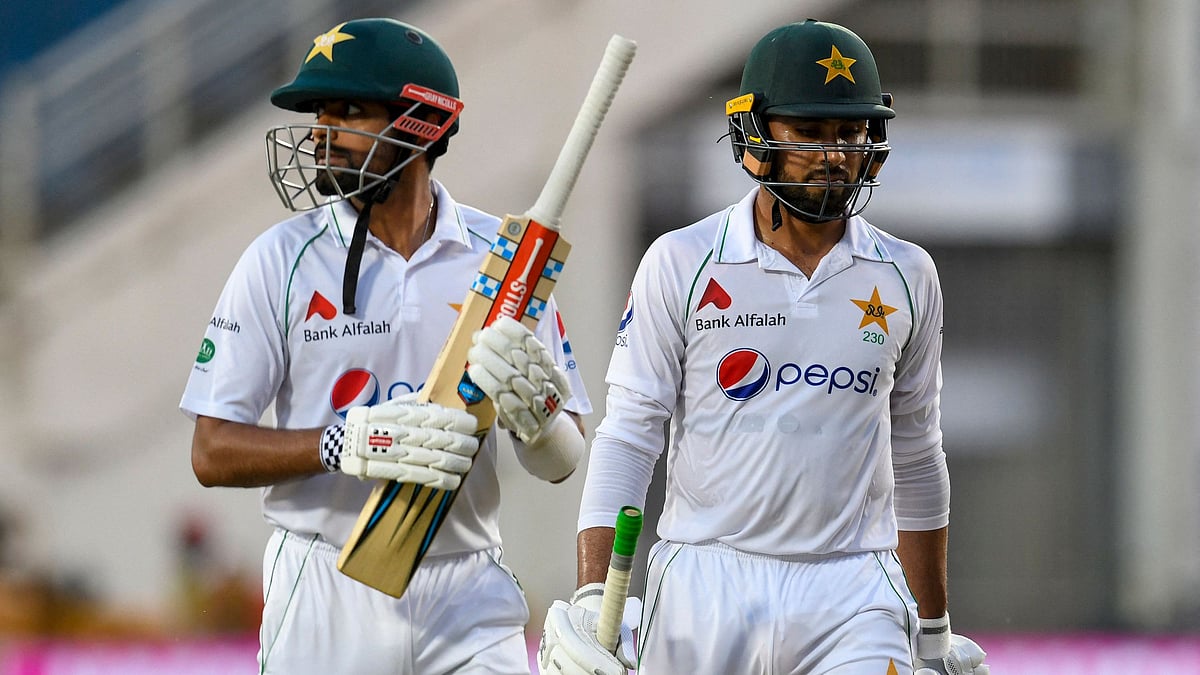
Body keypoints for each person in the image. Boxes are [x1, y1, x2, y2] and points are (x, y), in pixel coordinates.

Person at [538, 19, 988, 675]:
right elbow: (631, 434)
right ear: (755, 136)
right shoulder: (682, 261)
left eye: (850, 133)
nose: (833, 154)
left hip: (853, 591)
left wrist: (934, 633)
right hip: (704, 583)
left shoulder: (908, 274)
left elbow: (917, 450)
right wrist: (591, 597)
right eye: (809, 131)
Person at [179, 18, 590, 674]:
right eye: (319, 113)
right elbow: (211, 451)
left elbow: (562, 462)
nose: (321, 132)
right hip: (325, 585)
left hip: (468, 591)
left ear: (420, 125)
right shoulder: (279, 260)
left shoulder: (504, 260)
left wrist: (539, 420)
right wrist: (343, 444)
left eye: (348, 112)